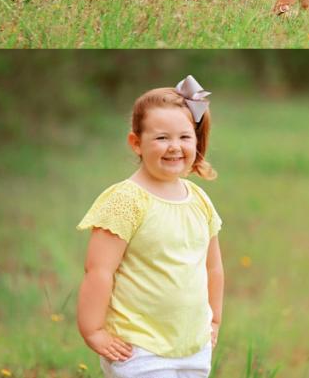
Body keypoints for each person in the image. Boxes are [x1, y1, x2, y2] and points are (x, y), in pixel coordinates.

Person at [76, 75, 224, 378]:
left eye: (184, 137)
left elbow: (213, 267)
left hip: (193, 345)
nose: (174, 147)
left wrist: (214, 320)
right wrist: (93, 330)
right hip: (138, 347)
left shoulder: (199, 199)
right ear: (136, 143)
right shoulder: (126, 200)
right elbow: (98, 270)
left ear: (197, 141)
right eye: (161, 138)